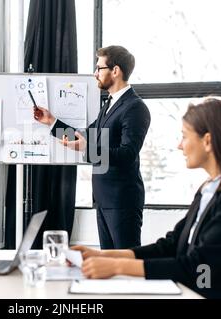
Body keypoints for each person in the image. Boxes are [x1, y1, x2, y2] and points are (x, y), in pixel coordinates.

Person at [71, 98, 221, 299]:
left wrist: (116, 266)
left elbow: (199, 266)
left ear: (208, 141)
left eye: (184, 137)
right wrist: (102, 255)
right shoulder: (209, 188)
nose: (179, 145)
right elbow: (172, 245)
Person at [34, 45, 151, 249]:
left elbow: (127, 154)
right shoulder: (110, 105)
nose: (95, 73)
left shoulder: (135, 107)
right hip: (105, 198)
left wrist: (86, 149)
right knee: (107, 261)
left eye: (99, 68)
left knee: (124, 262)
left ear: (115, 71)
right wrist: (51, 121)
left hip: (122, 200)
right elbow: (85, 134)